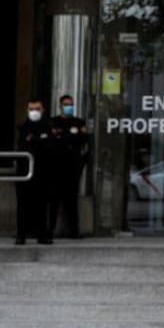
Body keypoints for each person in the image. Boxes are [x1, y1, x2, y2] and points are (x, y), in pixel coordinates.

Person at [49, 93, 90, 239]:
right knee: (54, 200)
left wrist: (64, 136)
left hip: (73, 166)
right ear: (60, 106)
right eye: (66, 105)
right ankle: (50, 229)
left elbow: (83, 139)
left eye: (71, 105)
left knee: (71, 200)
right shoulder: (53, 122)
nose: (69, 107)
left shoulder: (78, 122)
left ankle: (74, 230)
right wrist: (70, 137)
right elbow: (53, 140)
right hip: (56, 166)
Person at [15, 99, 54, 245]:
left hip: (43, 172)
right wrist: (38, 141)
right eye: (31, 109)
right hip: (24, 172)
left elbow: (49, 146)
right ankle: (21, 235)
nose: (34, 112)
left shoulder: (48, 127)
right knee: (23, 205)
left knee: (41, 205)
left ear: (43, 110)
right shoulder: (23, 127)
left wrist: (34, 140)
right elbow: (23, 146)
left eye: (37, 109)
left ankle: (42, 235)